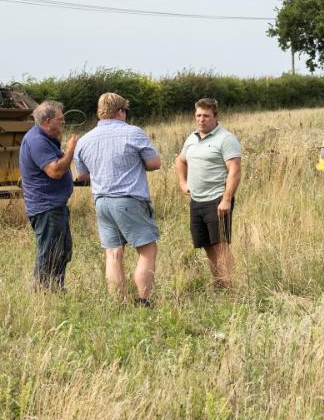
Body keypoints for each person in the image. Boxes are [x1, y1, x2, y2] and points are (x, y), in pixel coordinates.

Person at [71, 91, 163, 304]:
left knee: (113, 253)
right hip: (129, 198)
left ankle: (117, 302)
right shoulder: (133, 133)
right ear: (120, 111)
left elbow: (82, 175)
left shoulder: (85, 140)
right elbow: (154, 163)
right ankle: (143, 300)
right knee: (147, 249)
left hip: (102, 201)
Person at [175, 97, 242, 288]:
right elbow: (180, 160)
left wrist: (227, 199)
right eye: (198, 115)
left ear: (215, 117)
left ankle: (231, 286)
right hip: (197, 201)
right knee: (206, 245)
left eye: (206, 116)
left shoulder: (226, 139)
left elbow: (235, 170)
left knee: (220, 245)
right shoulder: (192, 138)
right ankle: (219, 284)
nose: (201, 119)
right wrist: (183, 182)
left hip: (217, 200)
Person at [18, 101, 78, 290]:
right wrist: (71, 150)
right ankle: (43, 293)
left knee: (62, 251)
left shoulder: (45, 138)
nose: (64, 122)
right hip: (46, 208)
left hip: (54, 206)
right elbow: (55, 171)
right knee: (50, 253)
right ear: (47, 121)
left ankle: (56, 289)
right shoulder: (37, 141)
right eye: (60, 119)